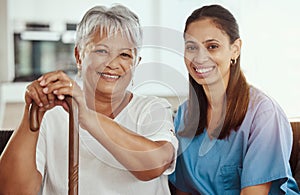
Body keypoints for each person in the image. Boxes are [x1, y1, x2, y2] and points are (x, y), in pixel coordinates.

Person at [0, 4, 178, 195]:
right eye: (101, 51)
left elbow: (153, 165)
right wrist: (31, 113)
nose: (113, 64)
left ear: (136, 63)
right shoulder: (52, 115)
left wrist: (85, 115)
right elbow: (12, 191)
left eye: (125, 55)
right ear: (78, 56)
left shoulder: (152, 108)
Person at [168, 4, 300, 195]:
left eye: (212, 47)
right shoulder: (184, 115)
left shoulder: (263, 114)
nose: (199, 57)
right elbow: (182, 191)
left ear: (235, 49)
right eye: (191, 47)